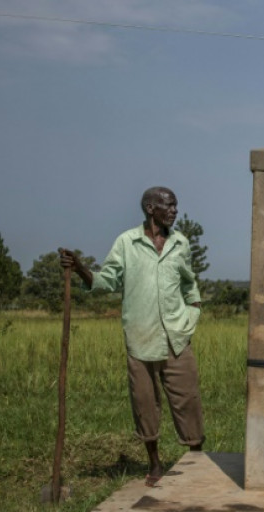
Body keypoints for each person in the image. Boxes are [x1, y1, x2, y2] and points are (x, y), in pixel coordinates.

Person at [59, 186, 204, 487]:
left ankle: (196, 459)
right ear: (151, 208)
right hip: (141, 338)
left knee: (187, 399)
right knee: (144, 403)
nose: (175, 211)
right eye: (170, 205)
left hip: (177, 336)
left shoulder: (180, 242)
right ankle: (154, 463)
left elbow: (190, 283)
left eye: (176, 205)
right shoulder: (127, 242)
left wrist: (193, 311)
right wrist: (80, 269)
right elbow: (106, 280)